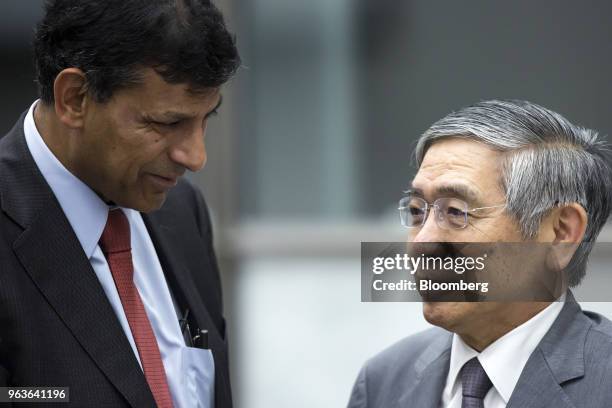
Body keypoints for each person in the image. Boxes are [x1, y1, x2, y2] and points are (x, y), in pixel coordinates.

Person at [0, 1, 240, 407]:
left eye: (206, 120)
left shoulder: (183, 212)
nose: (196, 157)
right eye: (167, 124)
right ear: (74, 98)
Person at [348, 100, 612, 408]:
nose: (422, 243)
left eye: (457, 212)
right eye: (417, 211)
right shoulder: (385, 381)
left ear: (560, 233)